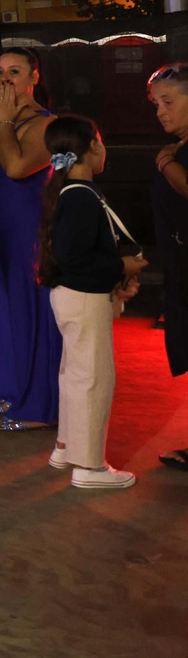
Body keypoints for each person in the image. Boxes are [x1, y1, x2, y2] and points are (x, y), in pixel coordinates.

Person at [39, 115, 146, 490]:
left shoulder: (71, 192)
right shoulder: (82, 196)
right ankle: (89, 467)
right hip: (83, 299)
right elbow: (75, 257)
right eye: (100, 140)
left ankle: (66, 447)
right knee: (93, 380)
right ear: (92, 147)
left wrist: (116, 276)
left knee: (75, 375)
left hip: (73, 296)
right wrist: (122, 265)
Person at [0, 48, 60, 432]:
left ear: (34, 78)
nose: (5, 80)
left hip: (28, 234)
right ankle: (13, 390)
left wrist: (4, 124)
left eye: (15, 71)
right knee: (1, 312)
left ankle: (38, 406)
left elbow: (15, 168)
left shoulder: (46, 124)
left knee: (31, 316)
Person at [149, 64, 188, 471]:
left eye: (169, 102)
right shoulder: (177, 147)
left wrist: (166, 165)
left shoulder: (173, 156)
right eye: (157, 104)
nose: (161, 111)